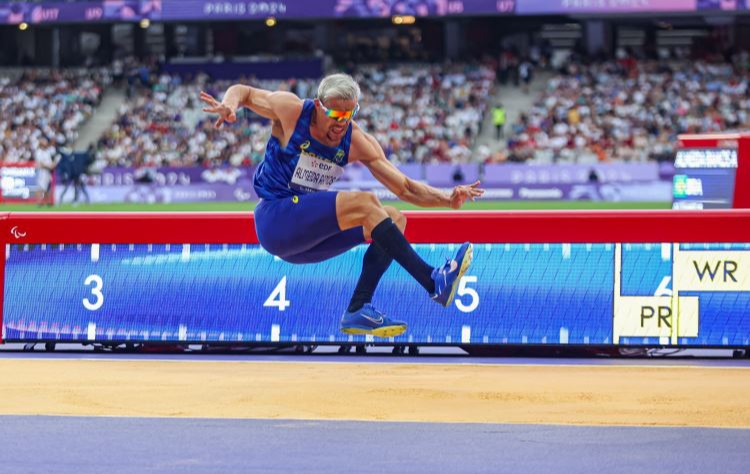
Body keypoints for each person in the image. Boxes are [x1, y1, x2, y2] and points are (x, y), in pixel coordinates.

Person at [201, 73, 484, 338]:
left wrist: (447, 198)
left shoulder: (356, 141)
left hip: (305, 243)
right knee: (366, 202)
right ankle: (433, 281)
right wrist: (229, 105)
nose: (342, 122)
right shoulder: (292, 111)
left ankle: (358, 308)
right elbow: (245, 92)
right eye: (335, 114)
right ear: (318, 105)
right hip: (274, 219)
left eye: (350, 114)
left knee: (394, 217)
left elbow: (405, 187)